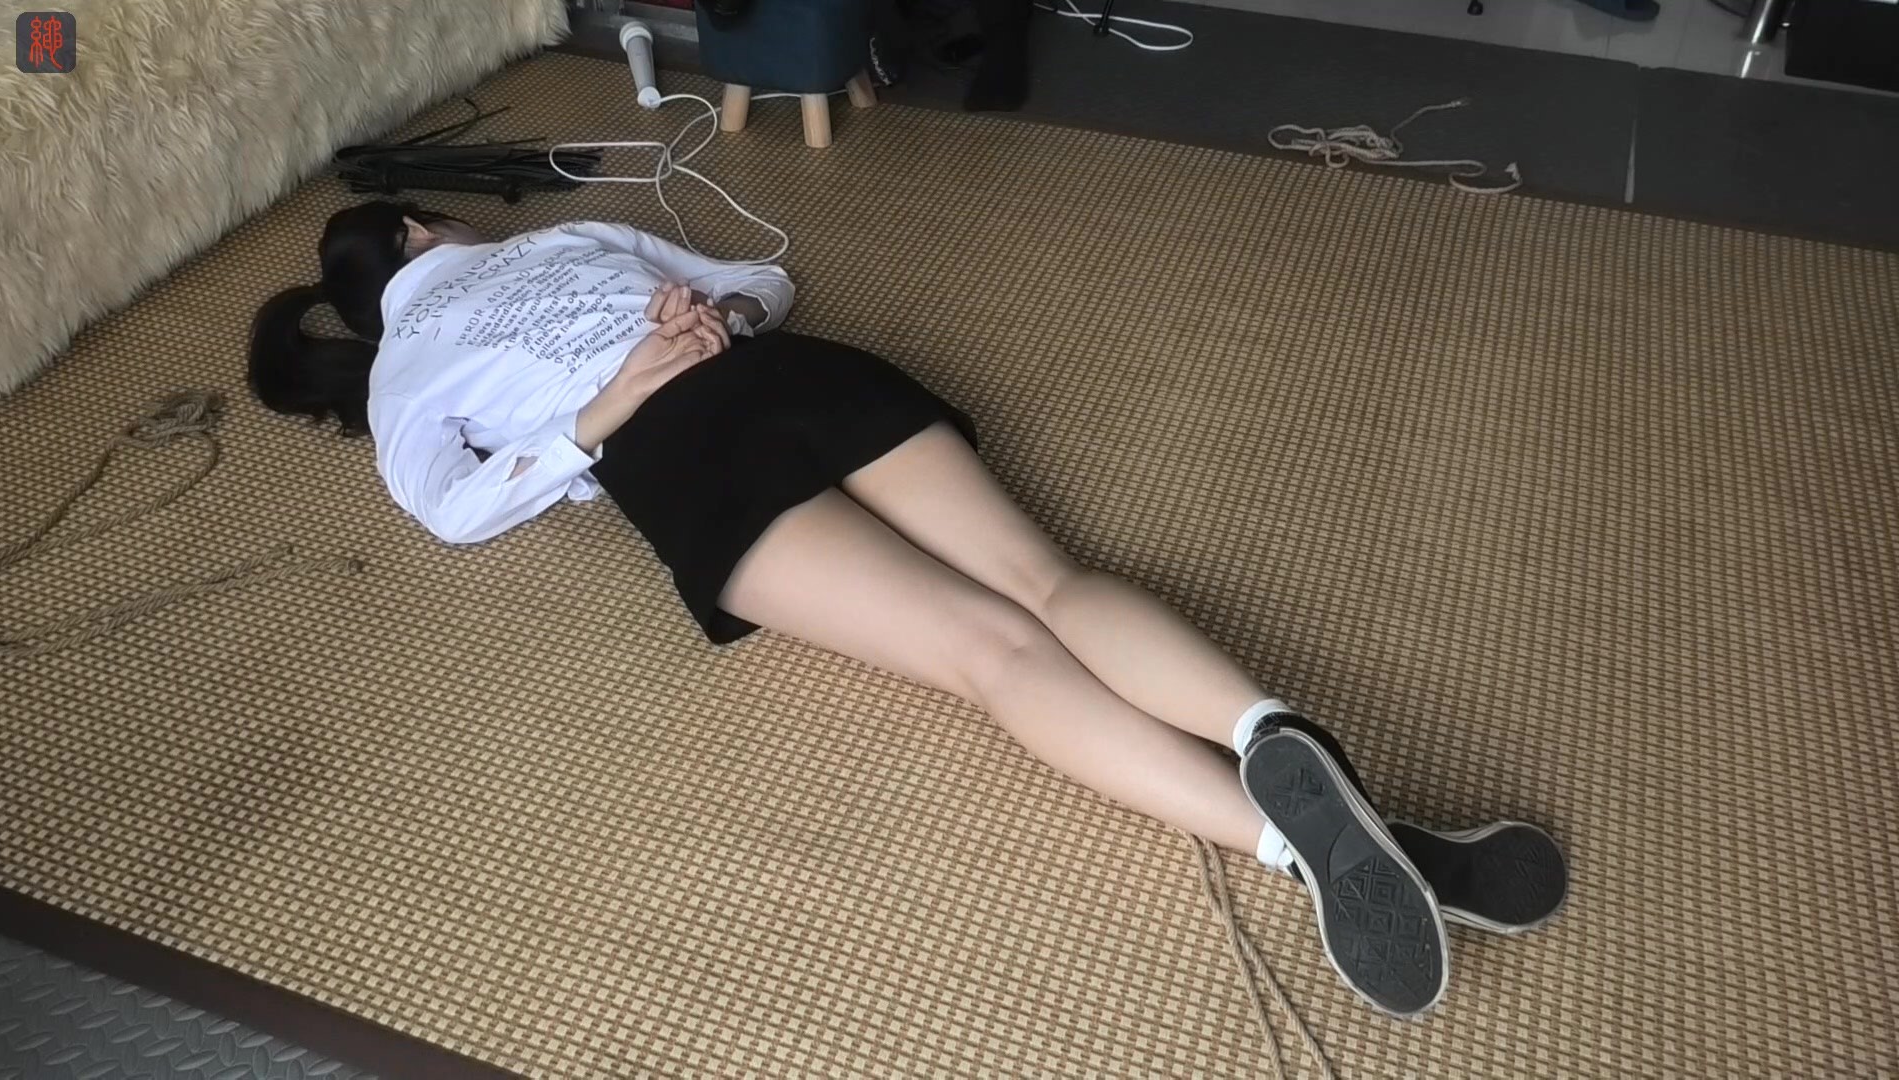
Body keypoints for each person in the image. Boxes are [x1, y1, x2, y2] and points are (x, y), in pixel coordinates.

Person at [248, 200, 1568, 1018]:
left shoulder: (403, 371)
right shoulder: (560, 237)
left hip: (676, 459)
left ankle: (1284, 845)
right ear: (426, 232)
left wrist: (603, 408)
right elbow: (763, 283)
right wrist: (705, 316)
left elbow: (448, 508)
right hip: (786, 374)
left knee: (991, 656)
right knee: (1044, 580)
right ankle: (1269, 729)